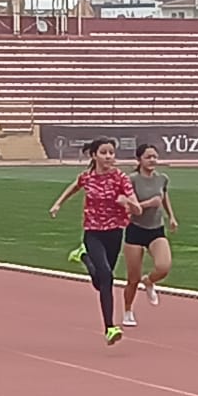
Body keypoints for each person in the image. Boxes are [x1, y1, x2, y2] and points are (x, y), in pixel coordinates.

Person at [48, 138, 142, 345]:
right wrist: (57, 204)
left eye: (111, 152)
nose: (109, 156)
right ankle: (110, 328)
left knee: (101, 283)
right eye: (104, 152)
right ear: (94, 155)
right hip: (93, 233)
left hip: (115, 232)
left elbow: (137, 209)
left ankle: (83, 256)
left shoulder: (121, 178)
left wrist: (127, 202)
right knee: (107, 276)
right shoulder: (87, 178)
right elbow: (73, 187)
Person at [119, 143, 177, 328]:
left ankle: (150, 280)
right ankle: (128, 310)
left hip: (156, 229)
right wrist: (147, 204)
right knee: (132, 278)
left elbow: (164, 197)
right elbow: (128, 205)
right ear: (139, 160)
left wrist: (172, 217)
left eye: (154, 156)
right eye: (148, 157)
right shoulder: (132, 179)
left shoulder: (162, 179)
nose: (152, 160)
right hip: (135, 229)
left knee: (164, 266)